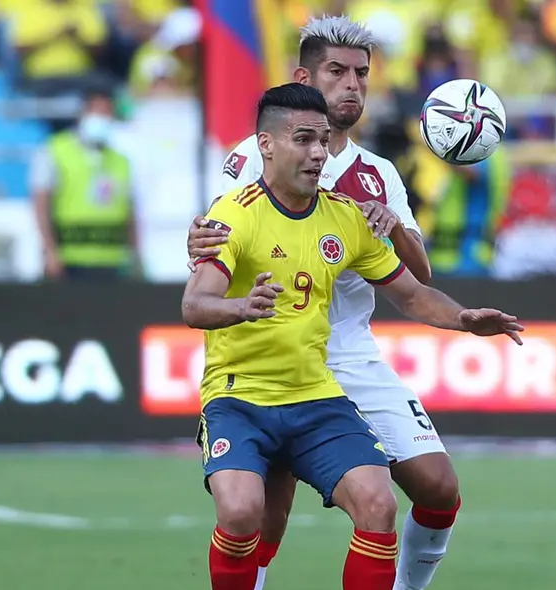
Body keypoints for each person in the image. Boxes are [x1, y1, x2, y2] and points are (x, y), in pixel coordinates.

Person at [184, 82, 524, 590]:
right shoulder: (234, 213)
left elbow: (412, 294)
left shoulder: (345, 216)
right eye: (304, 140)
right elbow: (194, 305)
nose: (318, 153)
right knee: (242, 512)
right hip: (241, 395)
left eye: (323, 141)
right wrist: (240, 306)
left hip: (315, 394)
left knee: (379, 502)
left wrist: (463, 319)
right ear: (266, 145)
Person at [30, 86, 138, 281]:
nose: (102, 118)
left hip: (113, 261)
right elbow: (41, 204)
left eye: (107, 113)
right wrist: (49, 250)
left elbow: (129, 212)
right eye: (97, 112)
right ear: (83, 113)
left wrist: (135, 254)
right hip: (70, 261)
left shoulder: (121, 161)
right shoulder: (55, 150)